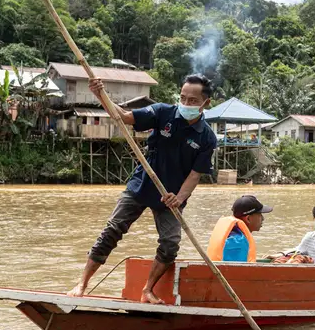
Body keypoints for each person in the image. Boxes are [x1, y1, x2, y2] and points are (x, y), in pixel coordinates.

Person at [67, 74, 218, 303]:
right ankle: (81, 284)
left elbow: (195, 174)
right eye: (183, 98)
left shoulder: (207, 137)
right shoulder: (162, 113)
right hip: (142, 185)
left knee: (170, 244)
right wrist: (100, 95)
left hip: (170, 197)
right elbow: (124, 117)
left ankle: (147, 289)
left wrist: (179, 198)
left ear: (205, 103)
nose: (186, 104)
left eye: (193, 101)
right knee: (113, 230)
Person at [207, 195, 273, 262]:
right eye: (260, 215)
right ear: (248, 219)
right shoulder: (238, 242)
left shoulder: (233, 235)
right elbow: (239, 271)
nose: (263, 218)